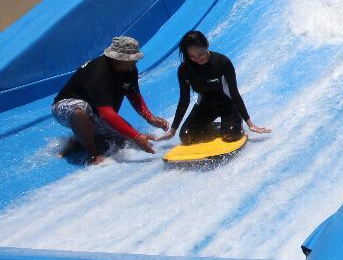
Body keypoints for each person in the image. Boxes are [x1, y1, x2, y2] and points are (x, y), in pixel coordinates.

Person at [52, 36, 169, 165]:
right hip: (65, 106)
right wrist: (136, 136)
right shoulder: (98, 73)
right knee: (79, 112)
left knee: (123, 142)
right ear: (117, 58)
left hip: (96, 110)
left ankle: (79, 140)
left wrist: (150, 118)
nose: (135, 62)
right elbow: (106, 113)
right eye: (132, 59)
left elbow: (134, 95)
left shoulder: (129, 69)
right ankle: (93, 153)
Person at [159, 31, 270, 144]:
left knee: (231, 135)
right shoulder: (185, 69)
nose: (197, 58)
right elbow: (184, 99)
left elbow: (234, 93)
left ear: (206, 45)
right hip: (206, 106)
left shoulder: (222, 62)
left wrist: (250, 124)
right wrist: (173, 130)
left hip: (228, 105)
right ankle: (214, 125)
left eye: (200, 54)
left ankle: (232, 124)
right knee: (186, 137)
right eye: (192, 56)